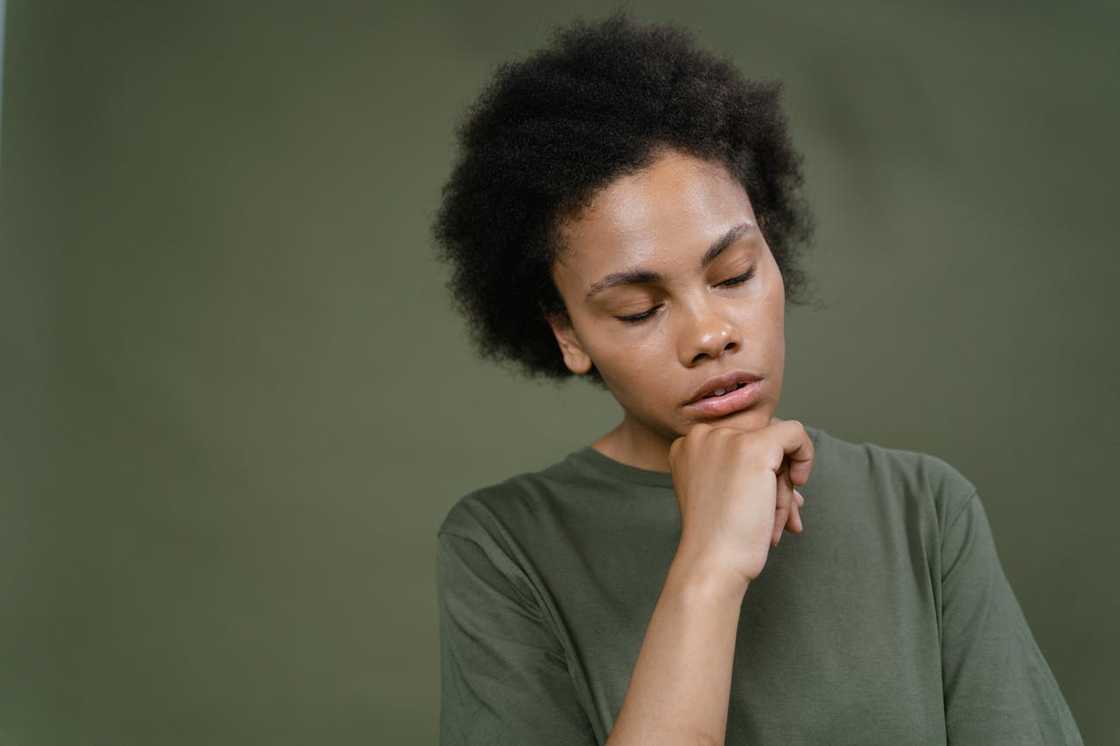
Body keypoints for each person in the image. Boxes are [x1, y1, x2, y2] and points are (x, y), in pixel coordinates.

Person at [429, 11, 1083, 746]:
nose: (710, 335)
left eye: (734, 274)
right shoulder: (505, 548)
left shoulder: (925, 512)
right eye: (639, 310)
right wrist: (707, 570)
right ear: (569, 335)